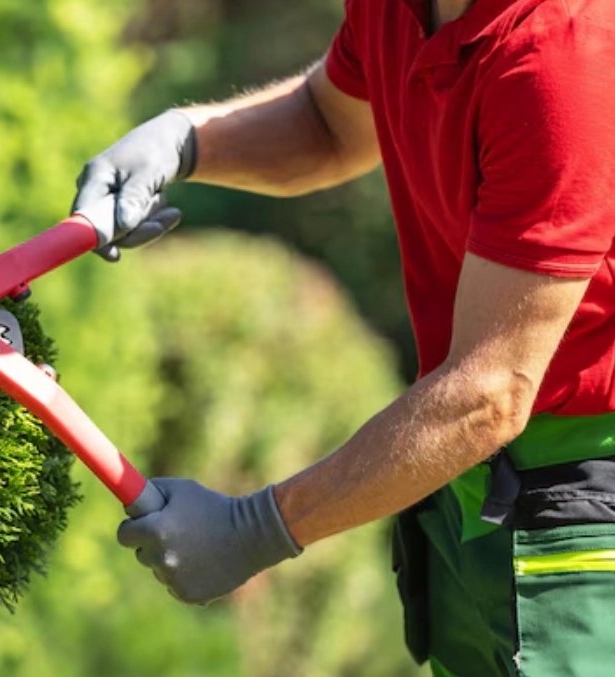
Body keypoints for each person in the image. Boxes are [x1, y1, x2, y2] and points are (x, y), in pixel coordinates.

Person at [71, 0, 615, 675]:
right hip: (472, 484)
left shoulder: (564, 56)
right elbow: (329, 126)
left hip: (582, 516)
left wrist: (256, 528)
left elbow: (489, 393)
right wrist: (188, 139)